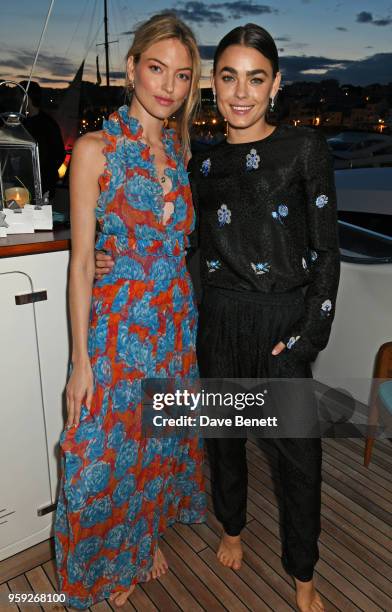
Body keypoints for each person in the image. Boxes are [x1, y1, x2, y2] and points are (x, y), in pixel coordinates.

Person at [96, 22, 340, 612]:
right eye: (228, 77)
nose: (240, 92)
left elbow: (327, 251)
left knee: (298, 458)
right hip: (218, 320)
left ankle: (303, 576)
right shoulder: (197, 163)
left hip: (283, 325)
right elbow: (182, 239)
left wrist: (308, 335)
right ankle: (232, 528)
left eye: (255, 79)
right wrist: (114, 254)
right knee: (224, 442)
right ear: (212, 86)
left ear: (275, 84)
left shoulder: (306, 149)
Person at [54, 13, 206, 610]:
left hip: (173, 324)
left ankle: (140, 542)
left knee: (154, 445)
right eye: (157, 68)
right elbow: (82, 263)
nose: (168, 86)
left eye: (182, 76)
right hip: (117, 329)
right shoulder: (95, 149)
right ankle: (100, 562)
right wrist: (79, 361)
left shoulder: (179, 147)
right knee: (98, 456)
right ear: (132, 68)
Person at [19, 80, 65, 198]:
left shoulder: (48, 125)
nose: (18, 100)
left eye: (20, 96)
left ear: (27, 98)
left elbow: (59, 155)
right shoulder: (22, 123)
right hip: (23, 184)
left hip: (42, 186)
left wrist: (42, 176)